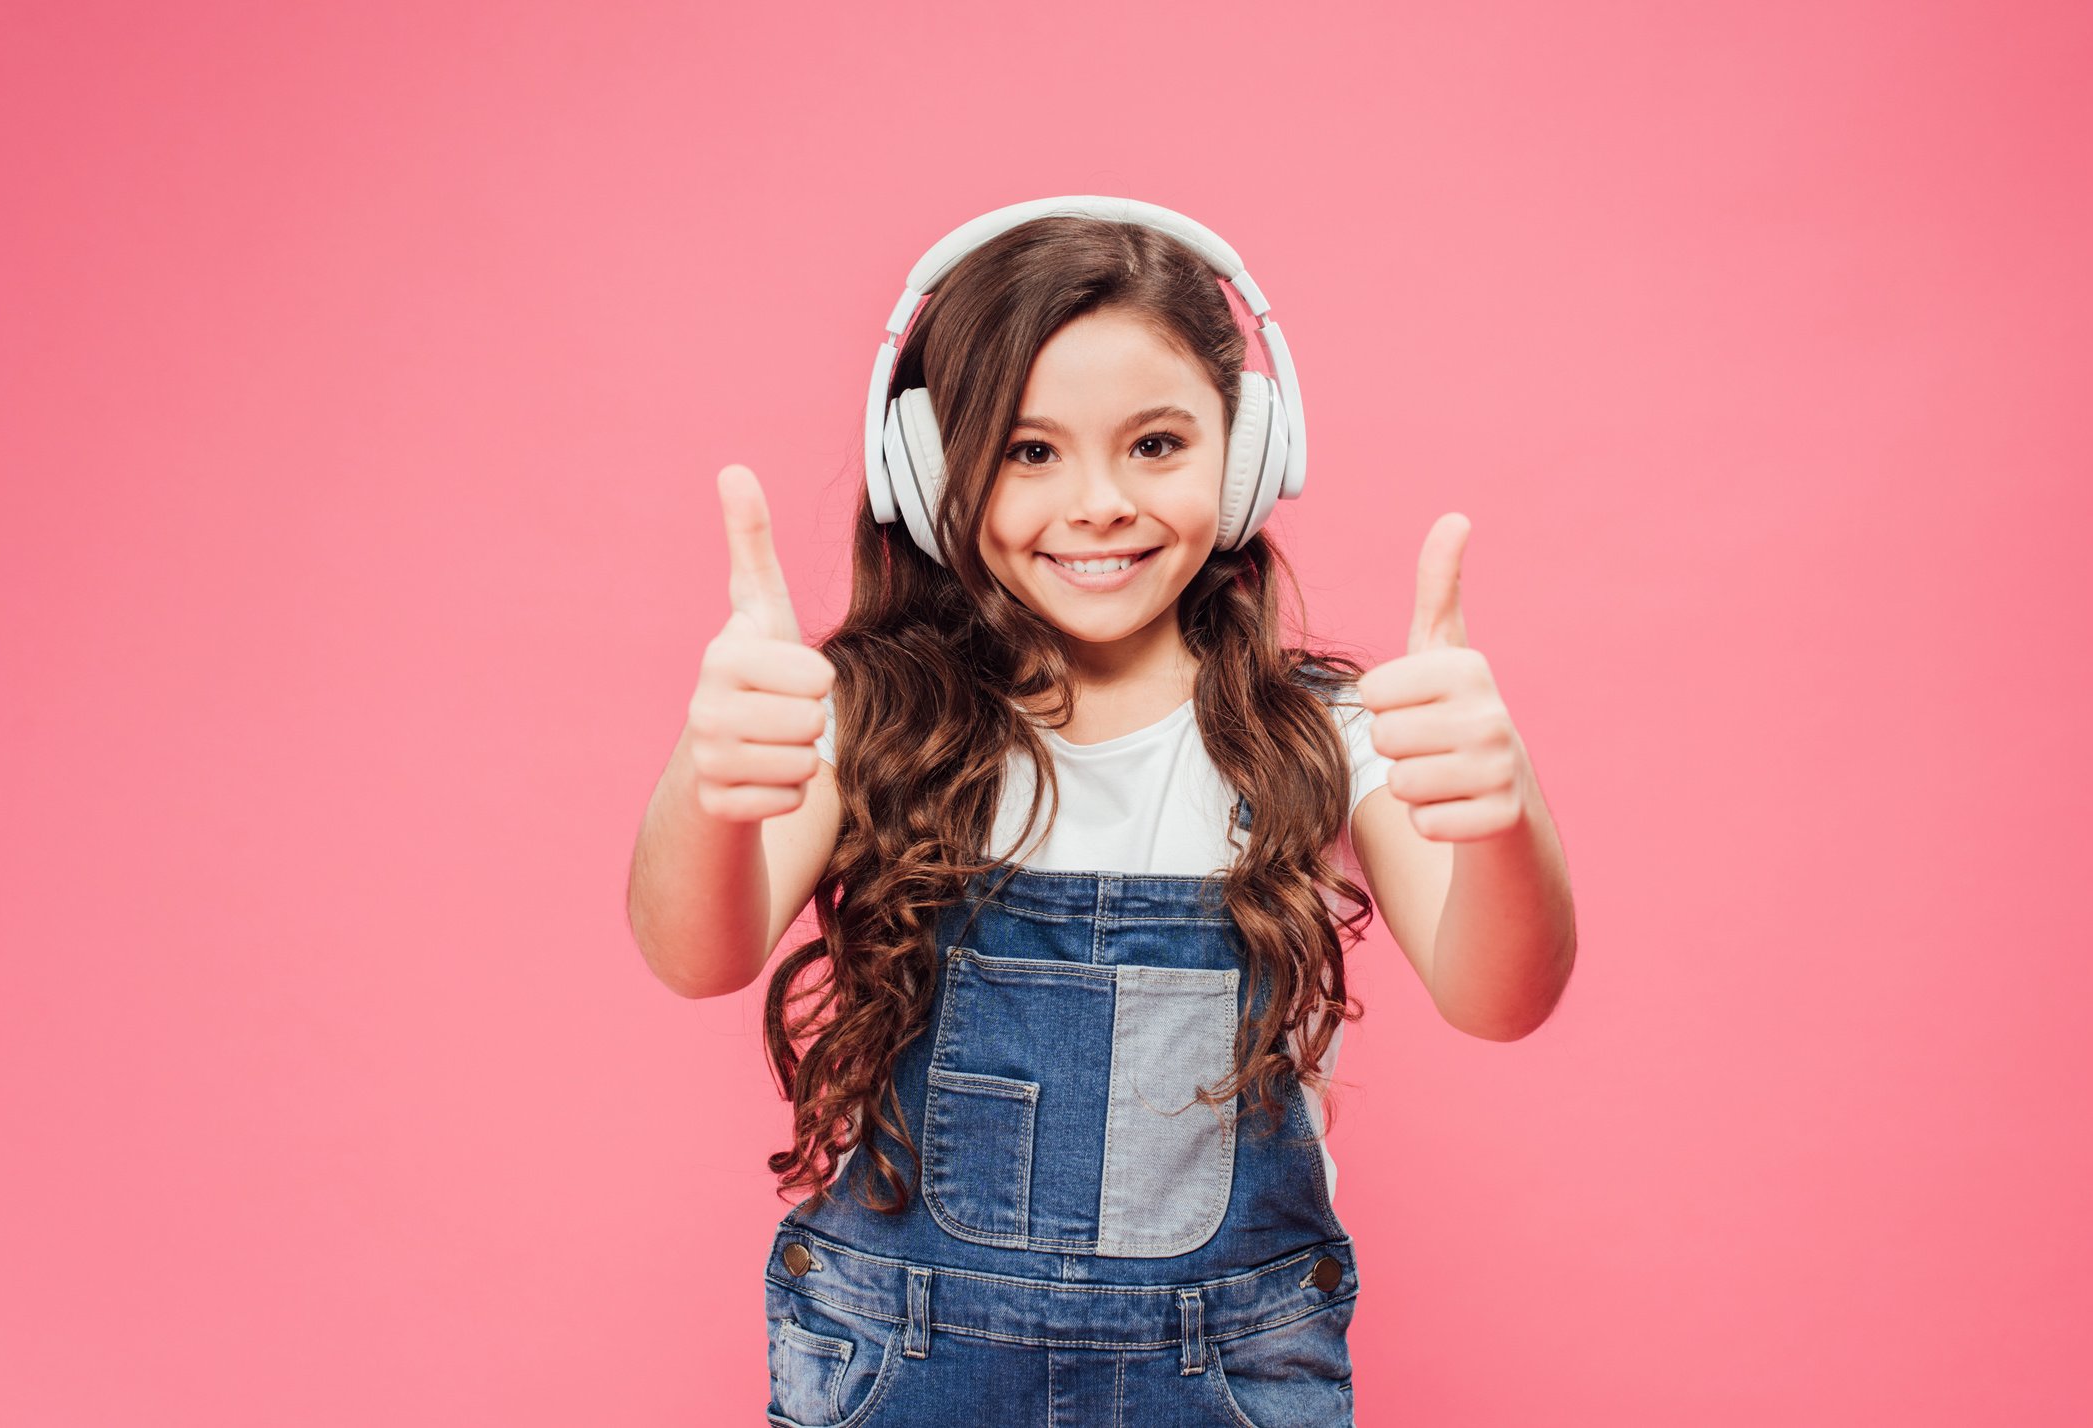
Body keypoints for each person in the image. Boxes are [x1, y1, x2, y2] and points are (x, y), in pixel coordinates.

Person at [626, 197, 1577, 1426]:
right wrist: (707, 784)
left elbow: (1502, 997)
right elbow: (694, 954)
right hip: (904, 1372)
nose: (1100, 503)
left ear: (1245, 455)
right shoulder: (865, 718)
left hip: (1223, 1377)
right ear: (928, 471)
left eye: (1156, 445)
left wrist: (1505, 817)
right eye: (1030, 452)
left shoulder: (1325, 735)